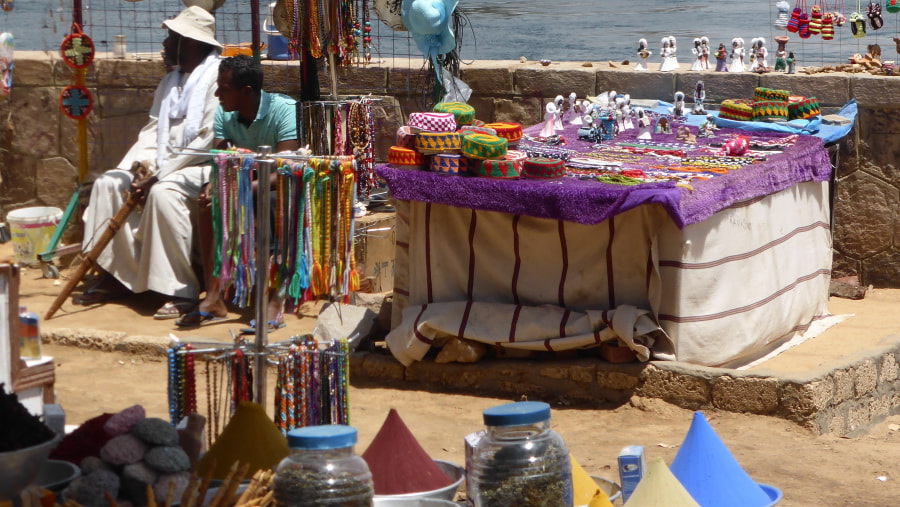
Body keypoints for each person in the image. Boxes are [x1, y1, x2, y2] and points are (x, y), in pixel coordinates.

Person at [79, 6, 223, 319]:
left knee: (163, 193)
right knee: (107, 184)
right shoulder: (169, 83)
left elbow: (207, 140)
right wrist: (139, 167)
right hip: (161, 165)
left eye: (172, 38)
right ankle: (119, 276)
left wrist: (159, 176)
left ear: (191, 43)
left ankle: (180, 289)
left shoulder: (216, 79)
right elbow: (152, 132)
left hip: (202, 165)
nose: (165, 44)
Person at [175, 55, 299, 328]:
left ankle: (275, 301)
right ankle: (214, 295)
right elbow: (220, 161)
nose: (217, 93)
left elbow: (286, 170)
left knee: (275, 200)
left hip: (275, 186)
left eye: (223, 88)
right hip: (242, 184)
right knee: (207, 203)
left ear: (246, 92)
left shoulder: (284, 110)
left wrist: (242, 189)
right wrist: (213, 186)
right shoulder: (223, 111)